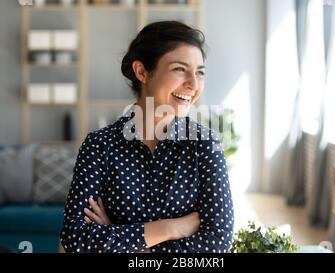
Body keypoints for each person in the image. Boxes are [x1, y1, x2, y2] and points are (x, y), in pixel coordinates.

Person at [60, 21, 234, 253]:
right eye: (180, 69)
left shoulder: (205, 145)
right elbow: (75, 239)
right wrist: (172, 228)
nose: (193, 84)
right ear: (142, 72)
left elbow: (217, 244)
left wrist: (122, 240)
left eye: (200, 72)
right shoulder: (99, 146)